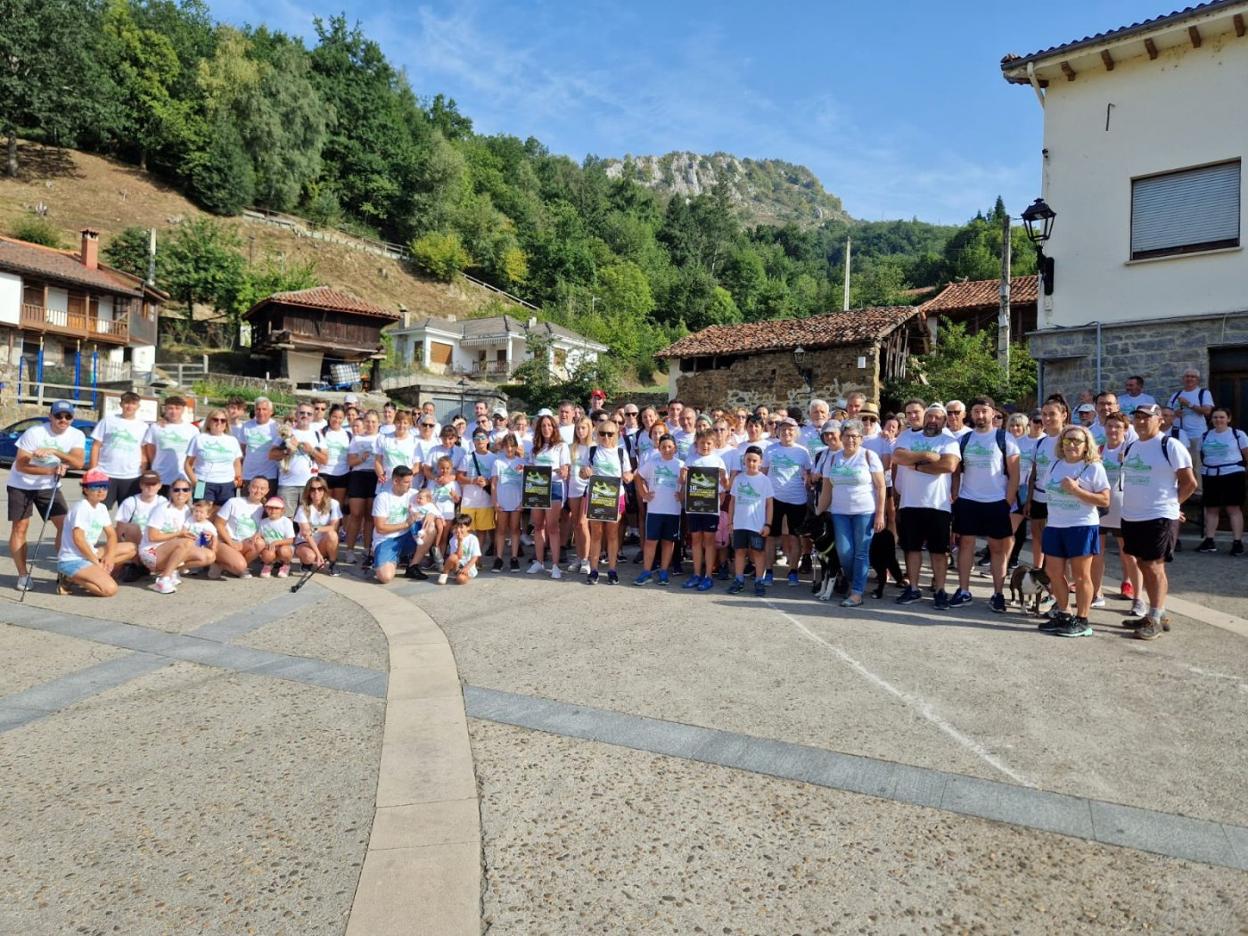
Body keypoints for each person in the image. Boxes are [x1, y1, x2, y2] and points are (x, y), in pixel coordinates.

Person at [1120, 404, 1198, 639]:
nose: (1141, 421)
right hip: (1132, 516)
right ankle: (1157, 613)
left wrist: (1173, 506)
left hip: (1158, 516)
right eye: (1137, 417)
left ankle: (1154, 618)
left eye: (1147, 417)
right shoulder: (1132, 446)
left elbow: (1190, 483)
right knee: (1143, 564)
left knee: (1154, 566)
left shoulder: (1170, 445)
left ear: (1160, 420)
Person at [1038, 425, 1110, 637]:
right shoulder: (1054, 465)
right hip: (1055, 525)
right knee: (1054, 572)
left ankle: (1083, 620)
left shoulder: (1093, 467)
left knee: (1080, 576)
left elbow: (1105, 500)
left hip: (1081, 525)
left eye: (1077, 440)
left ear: (1086, 445)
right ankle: (1064, 613)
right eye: (1067, 440)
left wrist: (1076, 490)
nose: (1071, 444)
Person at [9, 400, 89, 590]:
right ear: (50, 416)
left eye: (68, 416)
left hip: (49, 486)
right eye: (58, 415)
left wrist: (55, 452)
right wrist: (50, 471)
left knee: (65, 526)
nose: (63, 420)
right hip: (21, 484)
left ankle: (64, 570)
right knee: (20, 528)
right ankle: (23, 575)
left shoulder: (76, 435)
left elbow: (78, 463)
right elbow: (21, 465)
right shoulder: (35, 433)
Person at [950, 397, 1020, 613]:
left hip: (996, 501)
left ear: (993, 413)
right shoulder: (964, 439)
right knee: (965, 545)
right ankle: (963, 591)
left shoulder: (1005, 438)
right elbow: (956, 472)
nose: (980, 415)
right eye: (976, 411)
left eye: (984, 411)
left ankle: (998, 594)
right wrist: (955, 497)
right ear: (971, 414)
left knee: (998, 549)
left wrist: (1007, 502)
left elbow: (1015, 475)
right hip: (968, 499)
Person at [892, 404, 961, 609]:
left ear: (944, 421)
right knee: (911, 548)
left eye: (938, 418)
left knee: (939, 551)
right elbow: (898, 457)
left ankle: (940, 590)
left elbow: (948, 465)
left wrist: (915, 464)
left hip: (938, 504)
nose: (932, 421)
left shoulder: (949, 439)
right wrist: (929, 456)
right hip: (910, 502)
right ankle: (913, 588)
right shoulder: (907, 436)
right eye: (929, 416)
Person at [816, 419, 885, 608]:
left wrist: (880, 514)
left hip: (865, 512)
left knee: (861, 553)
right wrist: (818, 513)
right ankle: (854, 582)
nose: (850, 440)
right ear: (842, 437)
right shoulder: (833, 459)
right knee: (844, 553)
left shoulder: (869, 456)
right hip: (839, 513)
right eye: (847, 436)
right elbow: (827, 490)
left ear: (861, 438)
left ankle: (856, 593)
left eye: (855, 436)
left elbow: (880, 487)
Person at [1092, 413, 1143, 615]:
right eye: (1110, 426)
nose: (1113, 430)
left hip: (1124, 509)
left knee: (1129, 555)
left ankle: (1138, 598)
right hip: (1099, 510)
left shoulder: (1132, 450)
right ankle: (1097, 593)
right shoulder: (1098, 450)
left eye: (1118, 427)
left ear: (1126, 429)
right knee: (1096, 553)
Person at [56, 468, 136, 597]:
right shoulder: (81, 507)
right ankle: (70, 577)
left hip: (91, 553)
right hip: (72, 559)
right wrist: (96, 562)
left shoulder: (101, 507)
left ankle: (94, 574)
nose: (101, 491)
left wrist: (109, 557)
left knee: (131, 548)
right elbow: (79, 539)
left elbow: (111, 535)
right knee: (110, 590)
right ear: (86, 489)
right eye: (96, 487)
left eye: (104, 487)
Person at [580, 419, 634, 585]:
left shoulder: (621, 452)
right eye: (602, 433)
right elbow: (582, 473)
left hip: (615, 497)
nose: (606, 437)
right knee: (596, 534)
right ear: (597, 434)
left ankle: (612, 570)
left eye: (610, 434)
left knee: (612, 534)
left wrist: (629, 477)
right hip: (596, 496)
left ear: (616, 435)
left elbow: (629, 474)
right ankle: (594, 570)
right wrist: (585, 472)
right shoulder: (592, 450)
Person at [761, 417, 812, 587]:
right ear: (778, 431)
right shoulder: (770, 450)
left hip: (797, 499)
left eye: (790, 429)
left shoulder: (802, 452)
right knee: (770, 536)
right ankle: (769, 571)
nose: (787, 432)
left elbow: (810, 474)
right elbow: (763, 473)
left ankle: (793, 572)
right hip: (774, 499)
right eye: (783, 429)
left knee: (794, 537)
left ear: (796, 432)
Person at [139, 479, 215, 594]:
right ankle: (164, 579)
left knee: (209, 556)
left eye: (185, 490)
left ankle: (172, 570)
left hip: (173, 549)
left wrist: (209, 534)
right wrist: (178, 534)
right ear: (171, 492)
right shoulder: (162, 509)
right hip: (152, 552)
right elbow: (152, 537)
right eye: (176, 490)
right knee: (186, 542)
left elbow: (199, 525)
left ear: (190, 492)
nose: (181, 493)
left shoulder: (188, 510)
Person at [1196, 408, 1248, 555]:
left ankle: (1237, 542)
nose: (1218, 420)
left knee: (1233, 508)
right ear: (1211, 419)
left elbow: (1247, 454)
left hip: (1232, 474)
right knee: (1211, 509)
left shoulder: (1238, 434)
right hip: (1210, 475)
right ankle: (1209, 540)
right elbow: (1201, 456)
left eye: (1221, 417)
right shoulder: (1205, 435)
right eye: (1215, 417)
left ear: (1228, 419)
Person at [681, 428, 727, 592]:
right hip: (694, 507)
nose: (705, 446)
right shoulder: (690, 459)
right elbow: (683, 482)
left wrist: (723, 477)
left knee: (709, 541)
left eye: (709, 443)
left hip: (710, 508)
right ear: (696, 444)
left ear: (714, 444)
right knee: (695, 540)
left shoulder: (718, 461)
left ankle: (708, 575)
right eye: (702, 443)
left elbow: (726, 486)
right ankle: (696, 574)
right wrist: (683, 475)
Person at [635, 433, 684, 586]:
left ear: (675, 448)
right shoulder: (652, 463)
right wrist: (644, 493)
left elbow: (688, 483)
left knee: (668, 542)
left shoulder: (681, 465)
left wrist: (682, 495)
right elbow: (638, 476)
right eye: (663, 447)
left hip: (673, 510)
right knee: (651, 541)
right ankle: (646, 572)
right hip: (655, 509)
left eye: (670, 447)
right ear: (659, 448)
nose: (667, 449)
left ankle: (663, 571)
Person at [1024, 398, 1068, 568]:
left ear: (1063, 415)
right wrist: (1029, 499)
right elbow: (1034, 473)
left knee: (1058, 538)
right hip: (1039, 496)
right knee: (1037, 535)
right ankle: (1038, 569)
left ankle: (1059, 573)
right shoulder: (1041, 442)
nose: (1047, 418)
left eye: (1052, 414)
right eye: (1044, 414)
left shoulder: (1068, 439)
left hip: (1060, 497)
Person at [726, 447, 774, 596]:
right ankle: (739, 580)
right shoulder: (738, 479)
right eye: (748, 460)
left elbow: (769, 504)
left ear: (760, 462)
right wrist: (730, 522)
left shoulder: (765, 480)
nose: (751, 463)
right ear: (744, 461)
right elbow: (732, 502)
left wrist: (768, 524)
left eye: (754, 460)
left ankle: (759, 581)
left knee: (758, 553)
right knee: (739, 552)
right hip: (740, 524)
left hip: (757, 525)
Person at [527, 414, 570, 579]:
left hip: (554, 487)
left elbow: (565, 471)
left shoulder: (561, 446)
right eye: (543, 425)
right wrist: (523, 469)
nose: (546, 428)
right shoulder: (534, 448)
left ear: (554, 428)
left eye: (549, 425)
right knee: (538, 526)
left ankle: (555, 565)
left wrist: (562, 471)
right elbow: (531, 467)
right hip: (537, 488)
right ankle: (539, 562)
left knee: (552, 527)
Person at [89, 391, 148, 507]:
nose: (129, 406)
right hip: (105, 473)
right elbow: (96, 445)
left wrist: (143, 471)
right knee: (99, 509)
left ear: (138, 406)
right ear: (121, 404)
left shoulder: (143, 426)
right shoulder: (107, 421)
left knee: (129, 512)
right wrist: (93, 469)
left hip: (131, 476)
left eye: (133, 404)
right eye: (126, 403)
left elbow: (143, 451)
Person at [271, 403, 327, 515]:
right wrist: (287, 451)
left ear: (313, 417)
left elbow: (324, 460)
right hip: (287, 485)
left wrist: (311, 451)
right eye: (302, 413)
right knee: (285, 520)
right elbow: (271, 455)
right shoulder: (286, 432)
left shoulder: (317, 435)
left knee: (306, 520)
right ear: (296, 414)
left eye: (309, 414)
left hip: (310, 486)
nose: (305, 416)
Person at [213, 476, 270, 578]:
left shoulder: (265, 509)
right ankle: (220, 562)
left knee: (260, 543)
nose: (258, 491)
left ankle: (237, 566)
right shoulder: (234, 502)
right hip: (226, 541)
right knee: (239, 565)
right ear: (248, 488)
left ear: (267, 491)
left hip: (245, 543)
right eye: (255, 487)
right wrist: (231, 542)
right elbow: (218, 523)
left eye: (262, 488)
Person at [184, 409, 243, 506]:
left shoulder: (233, 440)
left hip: (227, 484)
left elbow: (236, 463)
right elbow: (188, 464)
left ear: (226, 423)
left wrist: (237, 480)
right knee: (200, 512)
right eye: (215, 419)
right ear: (209, 421)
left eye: (223, 420)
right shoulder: (198, 438)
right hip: (201, 483)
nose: (219, 423)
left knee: (224, 513)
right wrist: (195, 482)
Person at [344, 409, 381, 564]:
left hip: (375, 476)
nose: (370, 424)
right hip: (358, 476)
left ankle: (367, 549)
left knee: (370, 516)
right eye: (368, 421)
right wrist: (361, 458)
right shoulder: (356, 439)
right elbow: (350, 461)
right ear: (364, 422)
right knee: (356, 514)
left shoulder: (382, 438)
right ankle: (349, 550)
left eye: (373, 422)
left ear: (378, 423)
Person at [371, 465, 418, 584]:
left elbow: (432, 506)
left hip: (408, 536)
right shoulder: (382, 498)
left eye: (411, 481)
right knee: (385, 577)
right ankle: (391, 558)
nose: (410, 485)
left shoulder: (413, 494)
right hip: (387, 539)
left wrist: (431, 514)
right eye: (406, 482)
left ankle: (413, 566)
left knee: (431, 526)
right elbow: (380, 528)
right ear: (396, 481)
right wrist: (406, 524)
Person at [142, 395, 198, 495]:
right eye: (170, 408)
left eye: (177, 408)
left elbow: (196, 455)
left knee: (202, 503)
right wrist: (155, 465)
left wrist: (197, 485)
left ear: (183, 410)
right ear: (165, 409)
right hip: (161, 478)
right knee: (159, 504)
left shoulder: (193, 430)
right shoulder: (156, 427)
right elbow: (150, 449)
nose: (174, 411)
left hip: (185, 479)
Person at [458, 427, 498, 562]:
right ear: (473, 441)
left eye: (482, 438)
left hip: (485, 501)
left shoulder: (494, 458)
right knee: (466, 530)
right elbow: (459, 476)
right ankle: (465, 558)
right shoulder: (467, 457)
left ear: (488, 440)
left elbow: (496, 479)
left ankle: (476, 560)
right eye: (477, 438)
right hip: (468, 501)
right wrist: (473, 480)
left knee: (482, 531)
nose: (480, 441)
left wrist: (487, 482)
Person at [563, 416, 594, 574]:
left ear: (589, 429)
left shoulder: (594, 447)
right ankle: (579, 556)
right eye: (578, 428)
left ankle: (586, 559)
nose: (580, 431)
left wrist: (591, 472)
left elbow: (599, 468)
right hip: (573, 488)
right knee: (576, 524)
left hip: (588, 488)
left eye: (583, 427)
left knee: (583, 523)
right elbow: (567, 468)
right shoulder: (571, 447)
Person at [1169, 369, 1215, 476]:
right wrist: (1174, 414)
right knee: (1178, 465)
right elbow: (1167, 413)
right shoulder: (1175, 395)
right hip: (1177, 435)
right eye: (1187, 376)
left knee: (1195, 465)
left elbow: (1207, 411)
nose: (1189, 379)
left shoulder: (1203, 393)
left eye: (1193, 377)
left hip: (1196, 434)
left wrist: (1189, 404)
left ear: (1198, 380)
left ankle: (1197, 487)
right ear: (1183, 379)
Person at [491, 433, 526, 572]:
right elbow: (494, 483)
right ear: (503, 447)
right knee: (501, 529)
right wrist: (495, 501)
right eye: (506, 446)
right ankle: (499, 558)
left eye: (512, 446)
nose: (509, 449)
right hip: (502, 501)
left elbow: (526, 484)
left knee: (515, 529)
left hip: (517, 501)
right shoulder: (497, 462)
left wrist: (523, 501)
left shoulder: (521, 462)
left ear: (516, 447)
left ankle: (514, 557)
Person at [293, 477, 342, 574]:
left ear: (325, 490)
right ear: (308, 491)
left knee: (332, 534)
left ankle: (332, 563)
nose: (316, 492)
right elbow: (307, 534)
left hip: (323, 542)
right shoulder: (302, 508)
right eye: (312, 489)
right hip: (306, 542)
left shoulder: (333, 504)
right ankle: (307, 563)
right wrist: (318, 554)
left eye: (320, 488)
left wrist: (315, 529)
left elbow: (334, 527)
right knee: (310, 557)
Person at [115, 471, 167, 548]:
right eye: (147, 484)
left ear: (159, 486)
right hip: (137, 542)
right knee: (132, 528)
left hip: (157, 541)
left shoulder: (163, 502)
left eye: (153, 484)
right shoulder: (130, 502)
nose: (150, 487)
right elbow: (120, 528)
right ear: (141, 485)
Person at [237, 396, 281, 488]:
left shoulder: (277, 427)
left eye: (264, 409)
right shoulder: (246, 426)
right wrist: (239, 473)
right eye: (258, 409)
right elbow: (241, 452)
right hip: (248, 475)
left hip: (269, 476)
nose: (261, 412)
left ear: (271, 411)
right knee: (245, 495)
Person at [374, 409, 418, 494]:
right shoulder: (383, 438)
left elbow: (416, 466)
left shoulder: (414, 441)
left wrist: (404, 478)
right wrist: (381, 474)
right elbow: (377, 461)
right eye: (399, 422)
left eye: (405, 423)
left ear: (409, 424)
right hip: (387, 482)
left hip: (405, 484)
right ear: (394, 422)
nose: (401, 425)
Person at [320, 404, 353, 511]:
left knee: (338, 508)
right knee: (325, 508)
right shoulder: (322, 432)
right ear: (329, 416)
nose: (337, 420)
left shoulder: (348, 435)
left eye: (340, 418)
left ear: (344, 419)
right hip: (324, 473)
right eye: (334, 416)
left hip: (342, 474)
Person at [257, 496, 296, 578]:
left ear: (282, 510)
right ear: (266, 509)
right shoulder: (263, 522)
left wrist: (276, 542)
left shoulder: (286, 521)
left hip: (283, 547)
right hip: (270, 548)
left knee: (284, 551)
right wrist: (263, 543)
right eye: (270, 508)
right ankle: (268, 565)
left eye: (276, 508)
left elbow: (291, 540)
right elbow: (261, 536)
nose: (273, 510)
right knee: (267, 554)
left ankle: (286, 565)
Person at [437, 514, 481, 585]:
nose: (458, 530)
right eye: (456, 527)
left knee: (461, 580)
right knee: (452, 557)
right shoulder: (453, 539)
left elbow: (475, 557)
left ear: (468, 528)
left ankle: (461, 576)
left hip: (468, 566)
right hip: (457, 565)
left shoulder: (473, 539)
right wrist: (460, 542)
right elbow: (458, 556)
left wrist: (466, 568)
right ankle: (444, 574)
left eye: (461, 527)